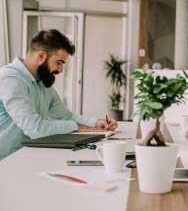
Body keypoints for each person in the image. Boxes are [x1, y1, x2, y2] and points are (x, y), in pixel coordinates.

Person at [0, 30, 118, 159]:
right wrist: (77, 127)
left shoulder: (42, 82)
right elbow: (35, 128)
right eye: (59, 62)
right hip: (5, 161)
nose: (60, 69)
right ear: (41, 56)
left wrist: (95, 123)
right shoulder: (11, 79)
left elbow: (64, 116)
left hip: (25, 155)